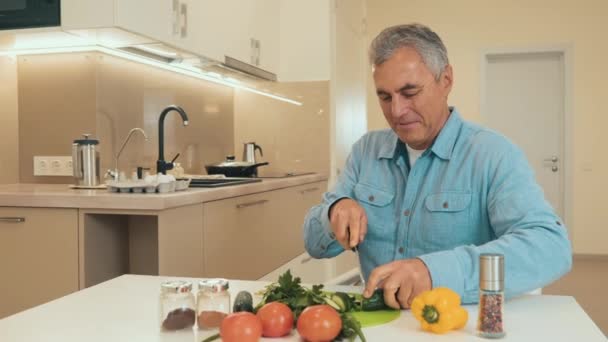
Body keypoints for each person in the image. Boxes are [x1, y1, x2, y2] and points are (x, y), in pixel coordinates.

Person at [303, 23, 572, 309]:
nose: (396, 111)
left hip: (456, 324)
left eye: (410, 92)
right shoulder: (365, 152)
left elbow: (550, 247)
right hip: (379, 322)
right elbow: (314, 244)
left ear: (446, 80)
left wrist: (433, 272)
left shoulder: (493, 155)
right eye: (384, 96)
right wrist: (335, 210)